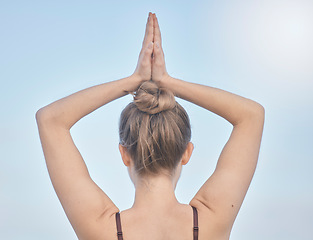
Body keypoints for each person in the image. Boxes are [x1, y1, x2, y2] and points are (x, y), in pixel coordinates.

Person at [36, 12, 265, 240]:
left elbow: (51, 120)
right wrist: (167, 81)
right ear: (186, 153)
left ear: (125, 154)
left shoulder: (102, 228)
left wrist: (133, 81)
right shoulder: (210, 221)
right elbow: (251, 115)